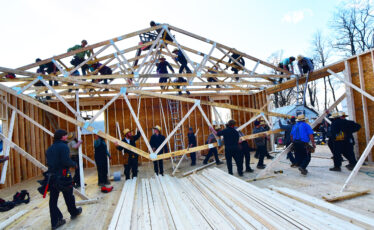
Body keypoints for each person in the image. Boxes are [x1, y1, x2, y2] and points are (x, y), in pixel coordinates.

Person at [46, 129, 82, 229]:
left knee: (53, 200)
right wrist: (74, 164)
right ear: (62, 137)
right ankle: (73, 212)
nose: (67, 137)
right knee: (69, 196)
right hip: (63, 176)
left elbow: (49, 162)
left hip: (52, 177)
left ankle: (55, 221)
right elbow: (66, 161)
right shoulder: (64, 146)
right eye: (66, 135)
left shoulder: (50, 148)